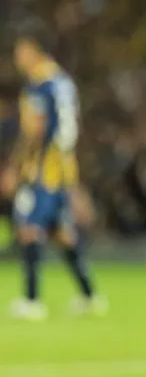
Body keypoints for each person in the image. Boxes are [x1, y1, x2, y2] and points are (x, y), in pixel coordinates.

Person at [2, 22, 105, 321]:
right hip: (63, 166)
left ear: (33, 49)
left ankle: (31, 300)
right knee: (62, 232)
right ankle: (89, 295)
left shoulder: (39, 83)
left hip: (43, 168)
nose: (17, 57)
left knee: (29, 228)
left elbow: (36, 128)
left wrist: (16, 166)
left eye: (20, 50)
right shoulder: (63, 81)